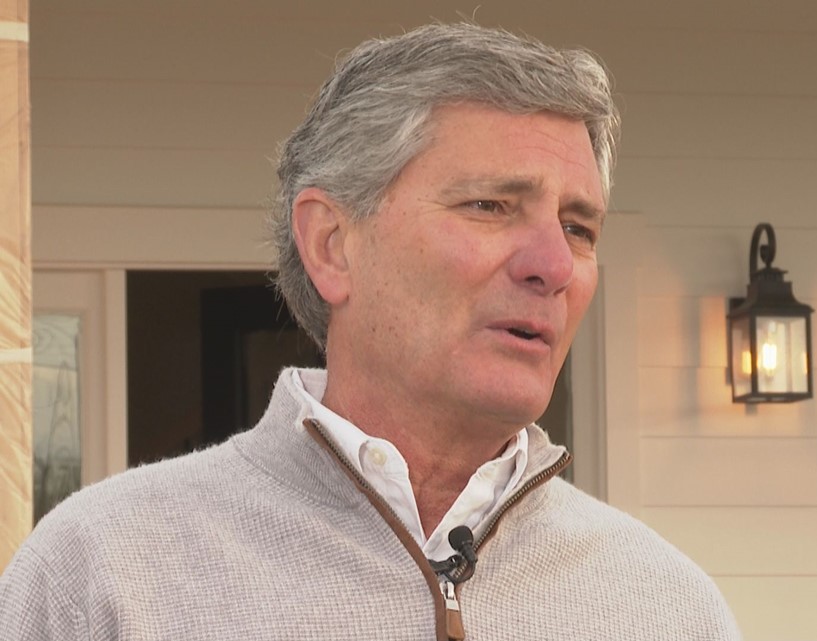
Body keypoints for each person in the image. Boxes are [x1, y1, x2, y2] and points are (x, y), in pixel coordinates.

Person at [0, 23, 741, 640]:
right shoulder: (103, 574)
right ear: (332, 244)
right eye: (490, 206)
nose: (553, 265)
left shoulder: (669, 608)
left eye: (578, 227)